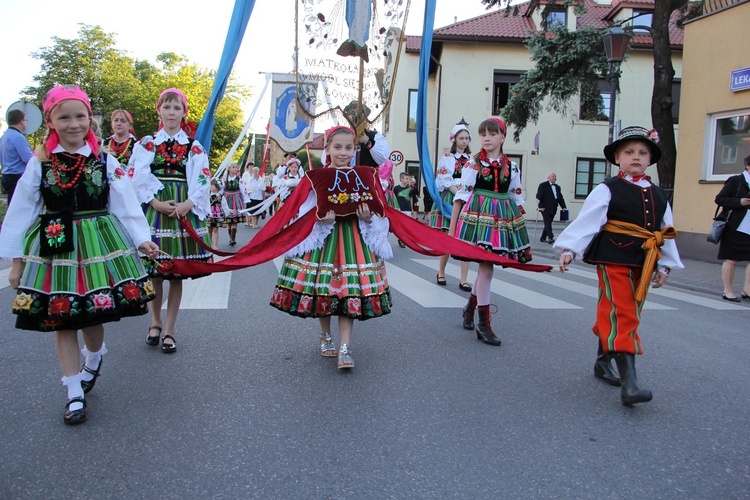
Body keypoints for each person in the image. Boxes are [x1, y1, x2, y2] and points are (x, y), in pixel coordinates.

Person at [0, 85, 158, 425]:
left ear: (89, 119)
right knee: (61, 317)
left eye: (80, 116)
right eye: (64, 117)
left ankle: (95, 355)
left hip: (99, 245)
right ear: (51, 122)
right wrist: (16, 262)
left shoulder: (105, 160)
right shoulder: (39, 163)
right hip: (56, 246)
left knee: (91, 317)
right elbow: (22, 210)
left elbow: (126, 202)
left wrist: (142, 238)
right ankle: (73, 390)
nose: (73, 124)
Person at [554, 126, 683, 406]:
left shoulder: (660, 195)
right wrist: (569, 249)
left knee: (624, 310)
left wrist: (665, 266)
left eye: (642, 152)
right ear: (617, 158)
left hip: (644, 261)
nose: (635, 157)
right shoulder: (607, 189)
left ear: (650, 159)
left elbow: (665, 232)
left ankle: (603, 361)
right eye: (629, 152)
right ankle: (630, 385)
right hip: (612, 256)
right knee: (623, 312)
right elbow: (588, 221)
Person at [270, 125, 392, 370]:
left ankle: (345, 346)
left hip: (353, 238)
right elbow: (305, 209)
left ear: (355, 150)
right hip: (325, 238)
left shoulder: (364, 176)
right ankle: (326, 336)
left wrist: (367, 216)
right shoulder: (317, 177)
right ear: (328, 149)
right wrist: (319, 217)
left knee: (349, 291)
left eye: (349, 148)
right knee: (325, 288)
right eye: (338, 147)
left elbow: (376, 213)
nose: (343, 153)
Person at [129, 87, 213, 353]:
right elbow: (135, 175)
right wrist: (154, 202)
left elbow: (203, 178)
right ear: (159, 110)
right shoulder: (145, 144)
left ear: (184, 112)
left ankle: (170, 329)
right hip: (157, 207)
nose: (172, 113)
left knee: (176, 273)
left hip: (182, 208)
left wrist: (188, 203)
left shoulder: (194, 146)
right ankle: (155, 320)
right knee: (156, 271)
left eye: (177, 108)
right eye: (167, 107)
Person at [452, 117, 531, 346]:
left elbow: (516, 198)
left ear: (503, 137)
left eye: (492, 134)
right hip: (477, 219)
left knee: (486, 269)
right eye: (483, 134)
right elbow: (462, 197)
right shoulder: (473, 164)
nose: (487, 138)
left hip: (501, 220)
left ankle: (470, 308)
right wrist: (451, 231)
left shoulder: (512, 166)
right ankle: (483, 325)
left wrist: (516, 232)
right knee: (486, 269)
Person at [432, 123, 472, 290]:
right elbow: (444, 179)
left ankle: (463, 279)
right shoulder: (448, 157)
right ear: (454, 139)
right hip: (452, 196)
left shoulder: (473, 159)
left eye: (466, 138)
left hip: (467, 197)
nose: (464, 141)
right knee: (448, 237)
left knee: (466, 239)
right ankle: (441, 271)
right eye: (461, 138)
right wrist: (459, 195)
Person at [714, 154, 750, 302]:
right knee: (731, 259)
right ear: (748, 166)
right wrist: (739, 202)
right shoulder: (736, 181)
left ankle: (747, 290)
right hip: (735, 227)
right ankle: (727, 291)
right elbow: (720, 199)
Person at [0, 109, 33, 204]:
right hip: (16, 178)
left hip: (6, 176)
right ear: (22, 121)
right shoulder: (18, 137)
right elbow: (29, 159)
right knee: (19, 209)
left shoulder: (4, 137)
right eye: (25, 120)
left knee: (12, 208)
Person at [536, 172, 568, 243]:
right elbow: (538, 197)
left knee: (548, 223)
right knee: (547, 223)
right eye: (553, 176)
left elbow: (560, 198)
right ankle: (550, 237)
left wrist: (563, 207)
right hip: (544, 208)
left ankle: (543, 237)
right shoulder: (543, 185)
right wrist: (540, 207)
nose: (554, 178)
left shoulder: (557, 187)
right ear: (548, 178)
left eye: (555, 177)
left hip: (553, 208)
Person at [222, 162, 245, 246]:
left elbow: (243, 190)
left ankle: (233, 238)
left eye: (236, 167)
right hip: (227, 200)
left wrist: (245, 201)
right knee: (229, 220)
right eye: (233, 167)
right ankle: (230, 237)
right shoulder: (224, 179)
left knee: (234, 219)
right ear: (229, 168)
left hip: (236, 199)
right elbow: (221, 189)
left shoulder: (239, 179)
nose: (235, 169)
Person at [393, 172, 414, 248]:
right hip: (399, 209)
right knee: (400, 225)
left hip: (407, 209)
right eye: (406, 178)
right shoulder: (396, 188)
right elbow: (394, 198)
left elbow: (411, 198)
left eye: (408, 178)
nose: (408, 180)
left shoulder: (409, 188)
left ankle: (403, 239)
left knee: (406, 226)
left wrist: (411, 208)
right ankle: (401, 238)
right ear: (401, 179)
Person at [207, 179, 226, 248]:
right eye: (210, 185)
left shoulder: (221, 196)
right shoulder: (208, 195)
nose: (211, 187)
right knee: (209, 228)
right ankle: (209, 243)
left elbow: (224, 205)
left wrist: (228, 211)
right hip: (209, 214)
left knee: (215, 228)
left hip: (217, 214)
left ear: (217, 186)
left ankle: (215, 244)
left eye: (212, 185)